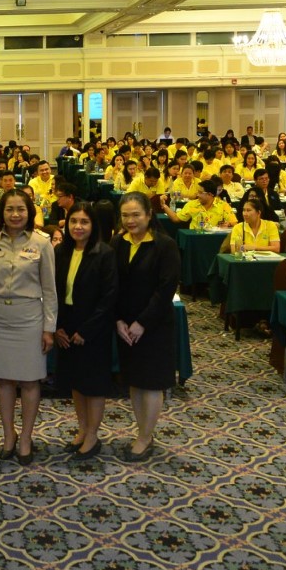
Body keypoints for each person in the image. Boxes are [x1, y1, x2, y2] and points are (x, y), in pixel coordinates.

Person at [0, 188, 57, 465]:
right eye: (10, 209)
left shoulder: (42, 243)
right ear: (1, 212)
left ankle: (26, 437)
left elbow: (50, 290)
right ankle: (8, 435)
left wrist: (49, 328)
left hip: (30, 318)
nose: (15, 214)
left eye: (21, 209)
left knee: (29, 380)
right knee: (3, 380)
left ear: (30, 212)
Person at [110, 192, 180, 463]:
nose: (130, 220)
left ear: (149, 215)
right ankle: (142, 431)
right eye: (125, 215)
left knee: (151, 383)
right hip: (125, 326)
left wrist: (142, 323)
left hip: (154, 326)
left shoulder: (165, 245)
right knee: (135, 380)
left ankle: (145, 436)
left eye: (136, 215)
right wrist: (118, 320)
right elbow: (112, 285)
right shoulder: (118, 243)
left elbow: (165, 289)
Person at [53, 202, 117, 461]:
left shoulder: (104, 253)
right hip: (66, 325)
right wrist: (57, 326)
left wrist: (87, 330)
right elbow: (52, 291)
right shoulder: (60, 251)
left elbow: (109, 297)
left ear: (93, 225)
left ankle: (92, 435)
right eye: (73, 221)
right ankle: (82, 430)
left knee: (93, 384)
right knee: (76, 382)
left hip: (94, 327)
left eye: (84, 222)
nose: (78, 226)